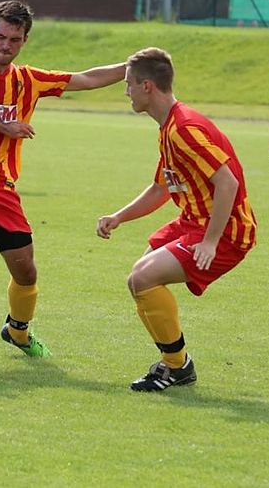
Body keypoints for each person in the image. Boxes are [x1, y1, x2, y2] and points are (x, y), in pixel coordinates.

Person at [0, 0, 126, 358]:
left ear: (24, 40)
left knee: (26, 272)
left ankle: (17, 330)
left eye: (14, 40)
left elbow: (85, 79)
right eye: (0, 37)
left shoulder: (28, 79)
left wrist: (131, 67)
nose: (6, 45)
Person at [97, 47, 257, 392]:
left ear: (147, 86)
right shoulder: (169, 127)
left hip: (225, 230)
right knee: (139, 280)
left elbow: (228, 183)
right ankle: (175, 362)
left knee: (143, 278)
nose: (125, 91)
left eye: (128, 84)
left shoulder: (184, 128)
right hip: (193, 221)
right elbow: (161, 188)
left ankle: (177, 366)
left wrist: (210, 241)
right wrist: (119, 217)